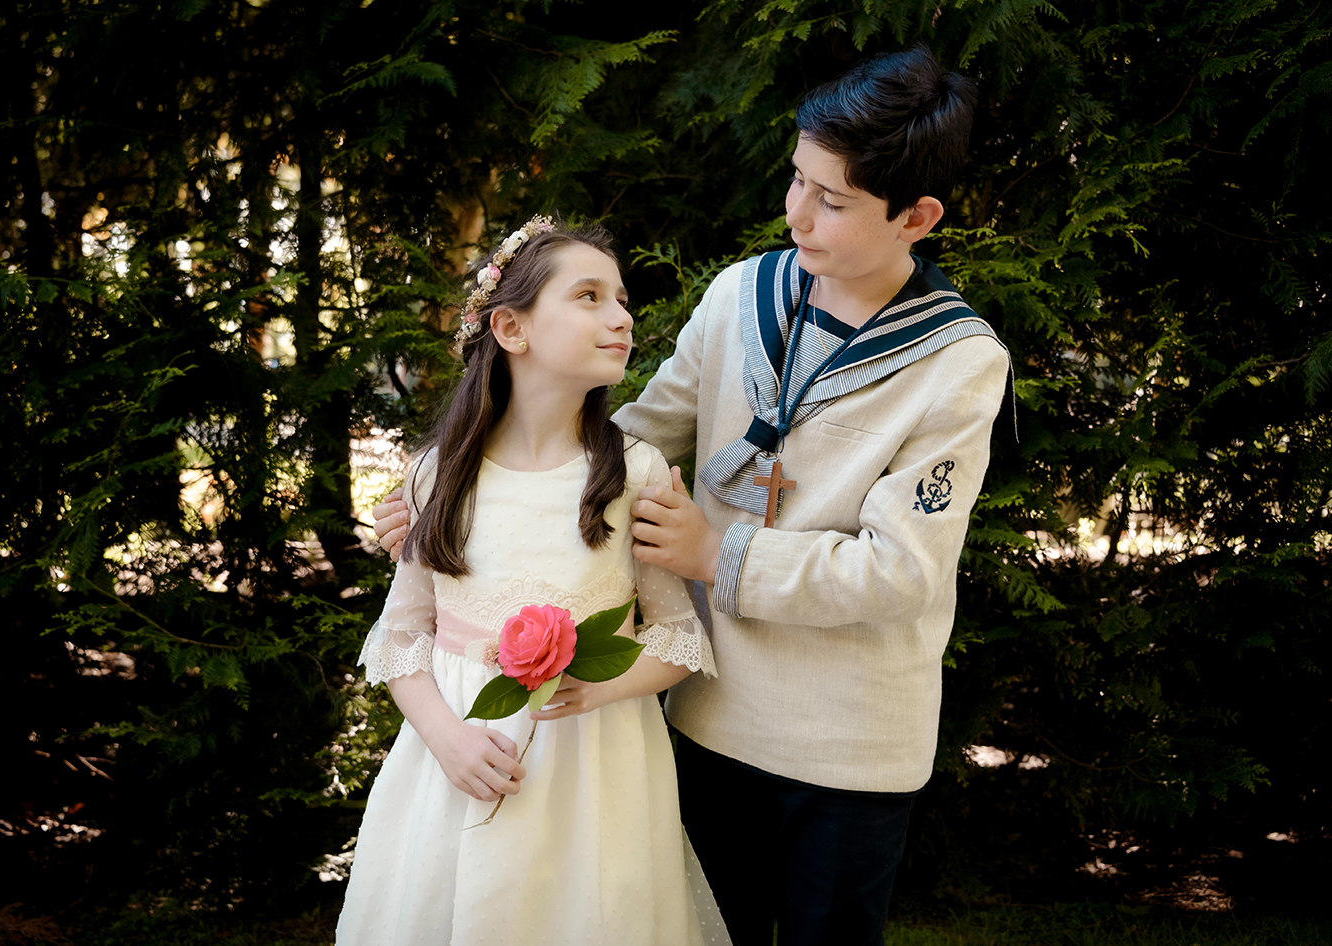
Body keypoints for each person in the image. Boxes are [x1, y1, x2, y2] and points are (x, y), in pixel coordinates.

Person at [376, 46, 1007, 946]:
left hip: (849, 743)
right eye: (797, 180)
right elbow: (630, 440)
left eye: (832, 202)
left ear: (917, 216)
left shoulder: (957, 362)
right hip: (708, 720)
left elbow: (901, 571)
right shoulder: (740, 294)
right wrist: (464, 496)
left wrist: (718, 555)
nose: (798, 213)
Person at [338, 218, 729, 946]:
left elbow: (678, 636)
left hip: (595, 765)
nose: (620, 317)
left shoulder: (633, 472)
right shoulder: (437, 476)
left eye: (621, 299)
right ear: (511, 328)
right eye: (588, 296)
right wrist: (445, 739)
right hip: (459, 757)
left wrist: (605, 685)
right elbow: (400, 637)